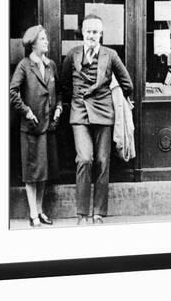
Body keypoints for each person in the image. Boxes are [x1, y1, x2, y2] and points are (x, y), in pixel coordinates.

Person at [61, 14, 133, 225]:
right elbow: (65, 85)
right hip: (80, 112)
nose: (92, 35)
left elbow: (127, 83)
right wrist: (75, 102)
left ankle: (99, 213)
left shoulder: (110, 55)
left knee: (102, 162)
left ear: (101, 34)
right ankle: (82, 214)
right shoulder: (72, 55)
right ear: (82, 33)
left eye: (96, 32)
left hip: (103, 112)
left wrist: (122, 99)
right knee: (85, 159)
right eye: (89, 31)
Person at [10, 25, 62, 227]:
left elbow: (59, 92)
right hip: (31, 128)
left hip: (48, 127)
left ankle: (40, 210)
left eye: (46, 38)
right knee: (32, 174)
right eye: (43, 39)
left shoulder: (51, 65)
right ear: (33, 43)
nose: (47, 42)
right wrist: (27, 112)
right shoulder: (24, 65)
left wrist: (58, 108)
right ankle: (33, 214)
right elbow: (13, 92)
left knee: (43, 173)